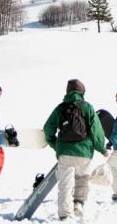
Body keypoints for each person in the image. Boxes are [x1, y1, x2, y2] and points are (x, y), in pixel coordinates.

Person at [43, 79, 107, 220]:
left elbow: (47, 129)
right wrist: (102, 148)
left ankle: (65, 215)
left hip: (65, 152)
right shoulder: (87, 107)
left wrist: (56, 145)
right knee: (82, 178)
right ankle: (78, 202)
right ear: (82, 92)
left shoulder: (60, 108)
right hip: (84, 152)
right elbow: (96, 131)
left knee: (65, 184)